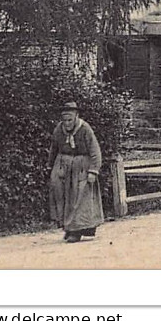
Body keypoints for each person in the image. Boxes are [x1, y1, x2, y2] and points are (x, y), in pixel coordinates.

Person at [48, 101, 104, 243]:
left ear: (76, 117)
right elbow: (54, 148)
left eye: (70, 120)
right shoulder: (58, 130)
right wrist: (50, 167)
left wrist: (93, 171)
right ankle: (68, 227)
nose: (67, 123)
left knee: (79, 198)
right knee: (61, 195)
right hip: (63, 166)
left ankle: (77, 231)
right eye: (64, 120)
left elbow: (95, 151)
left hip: (81, 167)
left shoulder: (85, 129)